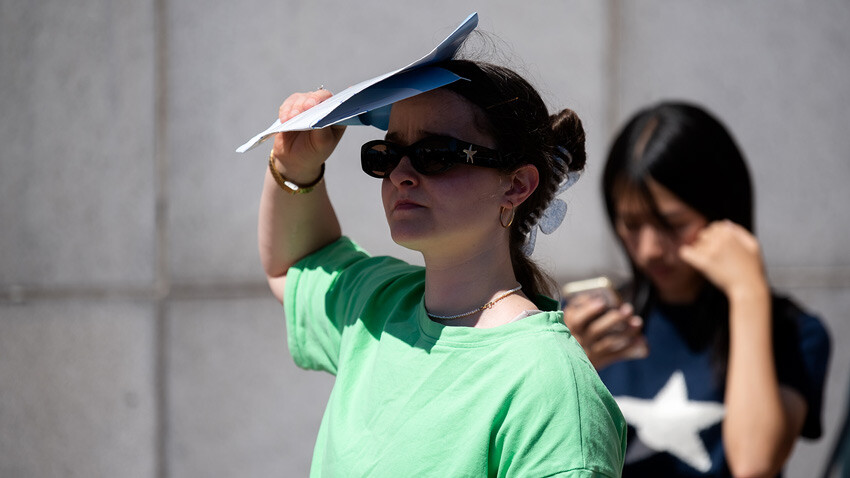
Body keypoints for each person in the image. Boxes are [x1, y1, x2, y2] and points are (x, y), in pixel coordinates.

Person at [259, 58, 627, 476]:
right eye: (386, 154)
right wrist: (295, 165)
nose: (401, 173)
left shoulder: (550, 387)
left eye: (435, 154)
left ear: (516, 185)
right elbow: (294, 266)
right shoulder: (377, 304)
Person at [563, 101, 830, 477]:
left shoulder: (795, 332)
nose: (650, 249)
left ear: (723, 212)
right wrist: (564, 367)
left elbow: (754, 465)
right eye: (631, 224)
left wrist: (747, 293)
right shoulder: (591, 322)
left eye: (672, 223)